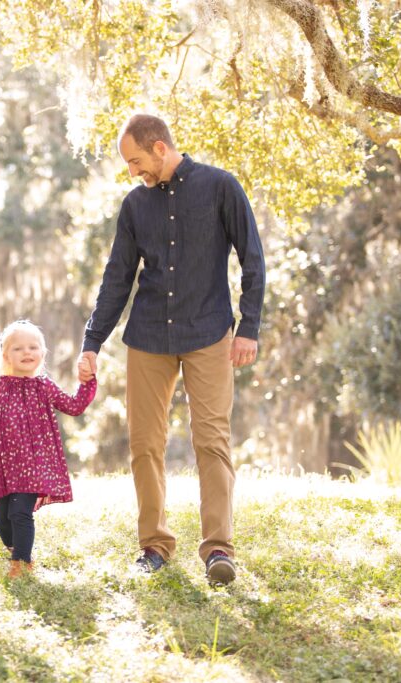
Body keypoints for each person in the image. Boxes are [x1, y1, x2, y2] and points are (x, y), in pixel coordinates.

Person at [78, 114, 265, 585]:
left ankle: (218, 548)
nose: (132, 171)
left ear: (160, 148)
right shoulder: (135, 205)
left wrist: (250, 327)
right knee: (144, 444)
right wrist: (92, 342)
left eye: (136, 160)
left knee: (212, 440)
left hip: (209, 332)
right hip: (148, 338)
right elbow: (117, 277)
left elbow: (253, 259)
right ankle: (154, 546)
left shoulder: (222, 187)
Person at [0, 320, 96, 579]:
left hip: (33, 465)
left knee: (20, 513)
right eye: (18, 349)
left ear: (42, 354)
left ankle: (21, 563)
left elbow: (74, 406)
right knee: (1, 517)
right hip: (2, 465)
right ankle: (16, 549)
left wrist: (87, 383)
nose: (27, 353)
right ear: (6, 356)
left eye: (33, 347)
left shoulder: (44, 386)